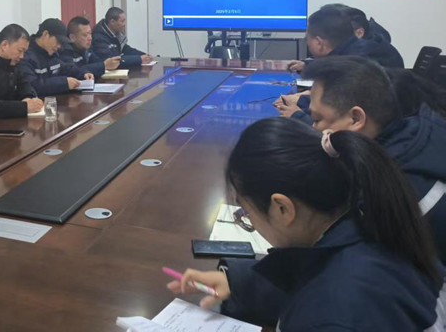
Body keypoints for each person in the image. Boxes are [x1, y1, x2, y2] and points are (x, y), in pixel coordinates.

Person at [169, 117, 445, 331]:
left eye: (246, 212)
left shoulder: (332, 315)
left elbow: (327, 303)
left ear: (282, 208)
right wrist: (237, 282)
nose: (248, 219)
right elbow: (309, 279)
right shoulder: (371, 223)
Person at [301, 56, 446, 260]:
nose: (314, 128)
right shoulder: (410, 135)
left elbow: (345, 262)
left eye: (317, 119)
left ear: (356, 119)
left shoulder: (400, 196)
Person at [17, 18, 94, 96]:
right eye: (58, 41)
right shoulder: (25, 55)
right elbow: (32, 85)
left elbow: (65, 68)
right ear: (45, 35)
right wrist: (64, 83)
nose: (59, 46)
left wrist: (83, 73)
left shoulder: (52, 53)